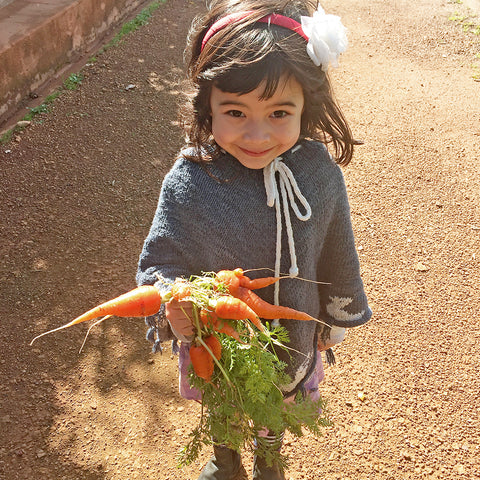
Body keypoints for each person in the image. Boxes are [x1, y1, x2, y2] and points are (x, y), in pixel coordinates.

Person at [137, 0, 372, 478]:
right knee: (222, 392)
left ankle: (269, 457)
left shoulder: (319, 175)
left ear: (308, 104)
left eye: (279, 112)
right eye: (235, 111)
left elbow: (335, 249)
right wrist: (171, 297)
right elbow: (161, 255)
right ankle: (224, 461)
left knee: (276, 397)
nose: (257, 133)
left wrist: (337, 313)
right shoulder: (190, 178)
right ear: (208, 105)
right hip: (213, 338)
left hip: (293, 327)